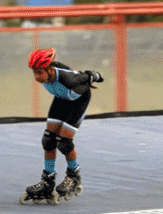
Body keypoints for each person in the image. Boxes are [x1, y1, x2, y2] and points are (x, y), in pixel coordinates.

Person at [23, 48, 103, 202]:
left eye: (39, 72)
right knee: (48, 139)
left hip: (78, 102)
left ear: (49, 69)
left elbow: (86, 75)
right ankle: (47, 180)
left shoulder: (68, 78)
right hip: (61, 99)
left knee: (64, 142)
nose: (37, 77)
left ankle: (74, 176)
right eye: (34, 72)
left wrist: (95, 76)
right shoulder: (48, 72)